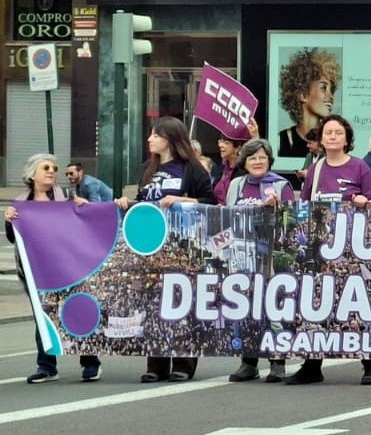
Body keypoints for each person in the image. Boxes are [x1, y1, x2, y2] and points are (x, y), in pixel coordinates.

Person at [289, 114, 371, 386]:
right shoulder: (316, 170)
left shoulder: (360, 168)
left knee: (358, 306)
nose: (332, 136)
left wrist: (362, 201)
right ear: (321, 139)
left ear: (347, 139)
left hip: (353, 250)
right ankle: (312, 364)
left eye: (338, 132)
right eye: (328, 132)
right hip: (322, 252)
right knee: (316, 307)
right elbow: (306, 208)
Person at [114, 117, 218, 383]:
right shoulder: (147, 169)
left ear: (170, 138)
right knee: (153, 305)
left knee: (181, 305)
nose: (150, 139)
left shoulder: (192, 169)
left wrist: (184, 200)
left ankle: (183, 361)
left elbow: (211, 203)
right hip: (152, 248)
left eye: (155, 135)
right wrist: (128, 203)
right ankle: (156, 362)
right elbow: (145, 202)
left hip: (183, 247)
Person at [7, 154, 98, 384]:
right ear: (32, 174)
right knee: (43, 316)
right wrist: (9, 221)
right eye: (45, 167)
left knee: (76, 310)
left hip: (66, 266)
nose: (51, 171)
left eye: (54, 168)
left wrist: (85, 208)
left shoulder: (66, 197)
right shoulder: (20, 203)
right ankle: (47, 366)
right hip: (36, 271)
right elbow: (13, 238)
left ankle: (90, 362)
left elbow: (83, 223)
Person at [223, 139, 294, 383]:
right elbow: (226, 216)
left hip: (270, 260)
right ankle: (248, 361)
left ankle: (277, 362)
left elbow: (290, 224)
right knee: (246, 310)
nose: (257, 162)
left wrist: (276, 210)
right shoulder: (236, 185)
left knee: (273, 310)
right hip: (242, 259)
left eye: (262, 157)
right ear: (244, 161)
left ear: (269, 160)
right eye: (252, 158)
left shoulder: (281, 185)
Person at [276, 48, 340, 157]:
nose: (331, 96)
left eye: (332, 90)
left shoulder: (333, 138)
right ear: (303, 94)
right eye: (323, 88)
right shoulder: (281, 141)